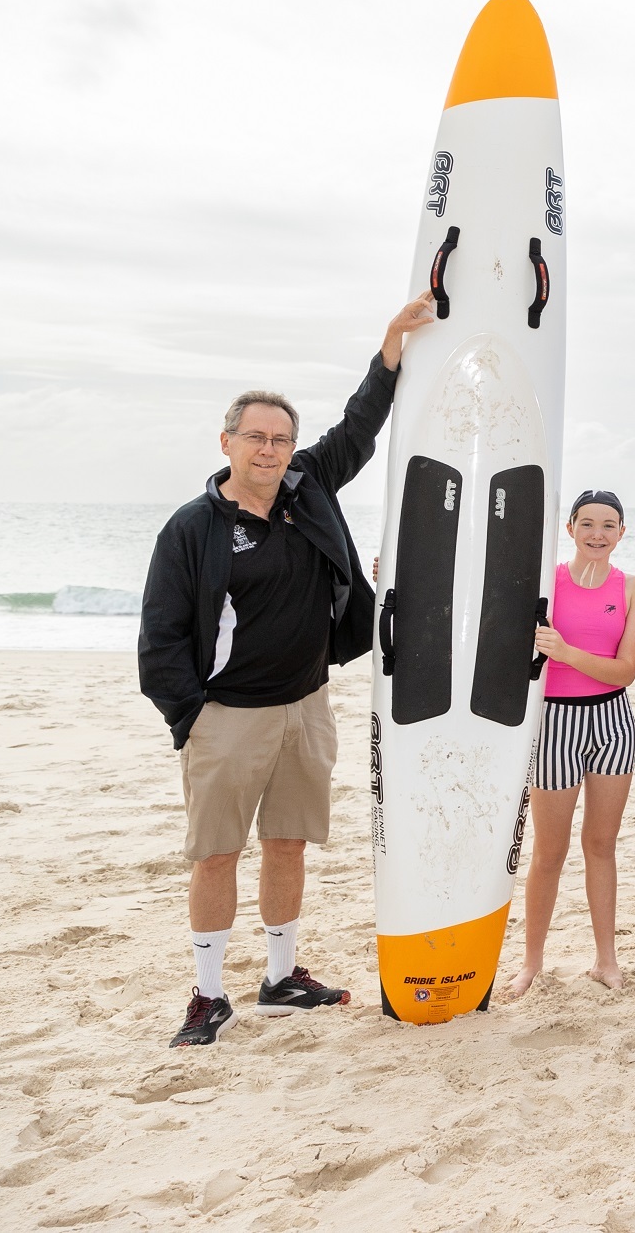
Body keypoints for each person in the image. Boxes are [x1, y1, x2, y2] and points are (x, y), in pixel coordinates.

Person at [138, 293, 435, 1047]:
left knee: (289, 844)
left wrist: (392, 344)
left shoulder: (308, 486)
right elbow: (160, 641)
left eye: (281, 439)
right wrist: (193, 717)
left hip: (308, 704)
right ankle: (208, 995)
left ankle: (279, 978)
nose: (270, 451)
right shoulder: (193, 529)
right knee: (215, 854)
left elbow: (361, 426)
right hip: (228, 716)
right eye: (256, 438)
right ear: (228, 442)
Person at [507, 490, 635, 998]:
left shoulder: (634, 588)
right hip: (553, 723)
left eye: (608, 525)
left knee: (601, 846)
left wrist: (566, 651)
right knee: (549, 851)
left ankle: (605, 960)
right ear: (569, 528)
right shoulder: (546, 581)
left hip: (612, 721)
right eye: (587, 523)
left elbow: (625, 671)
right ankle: (531, 963)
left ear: (621, 532)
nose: (597, 534)